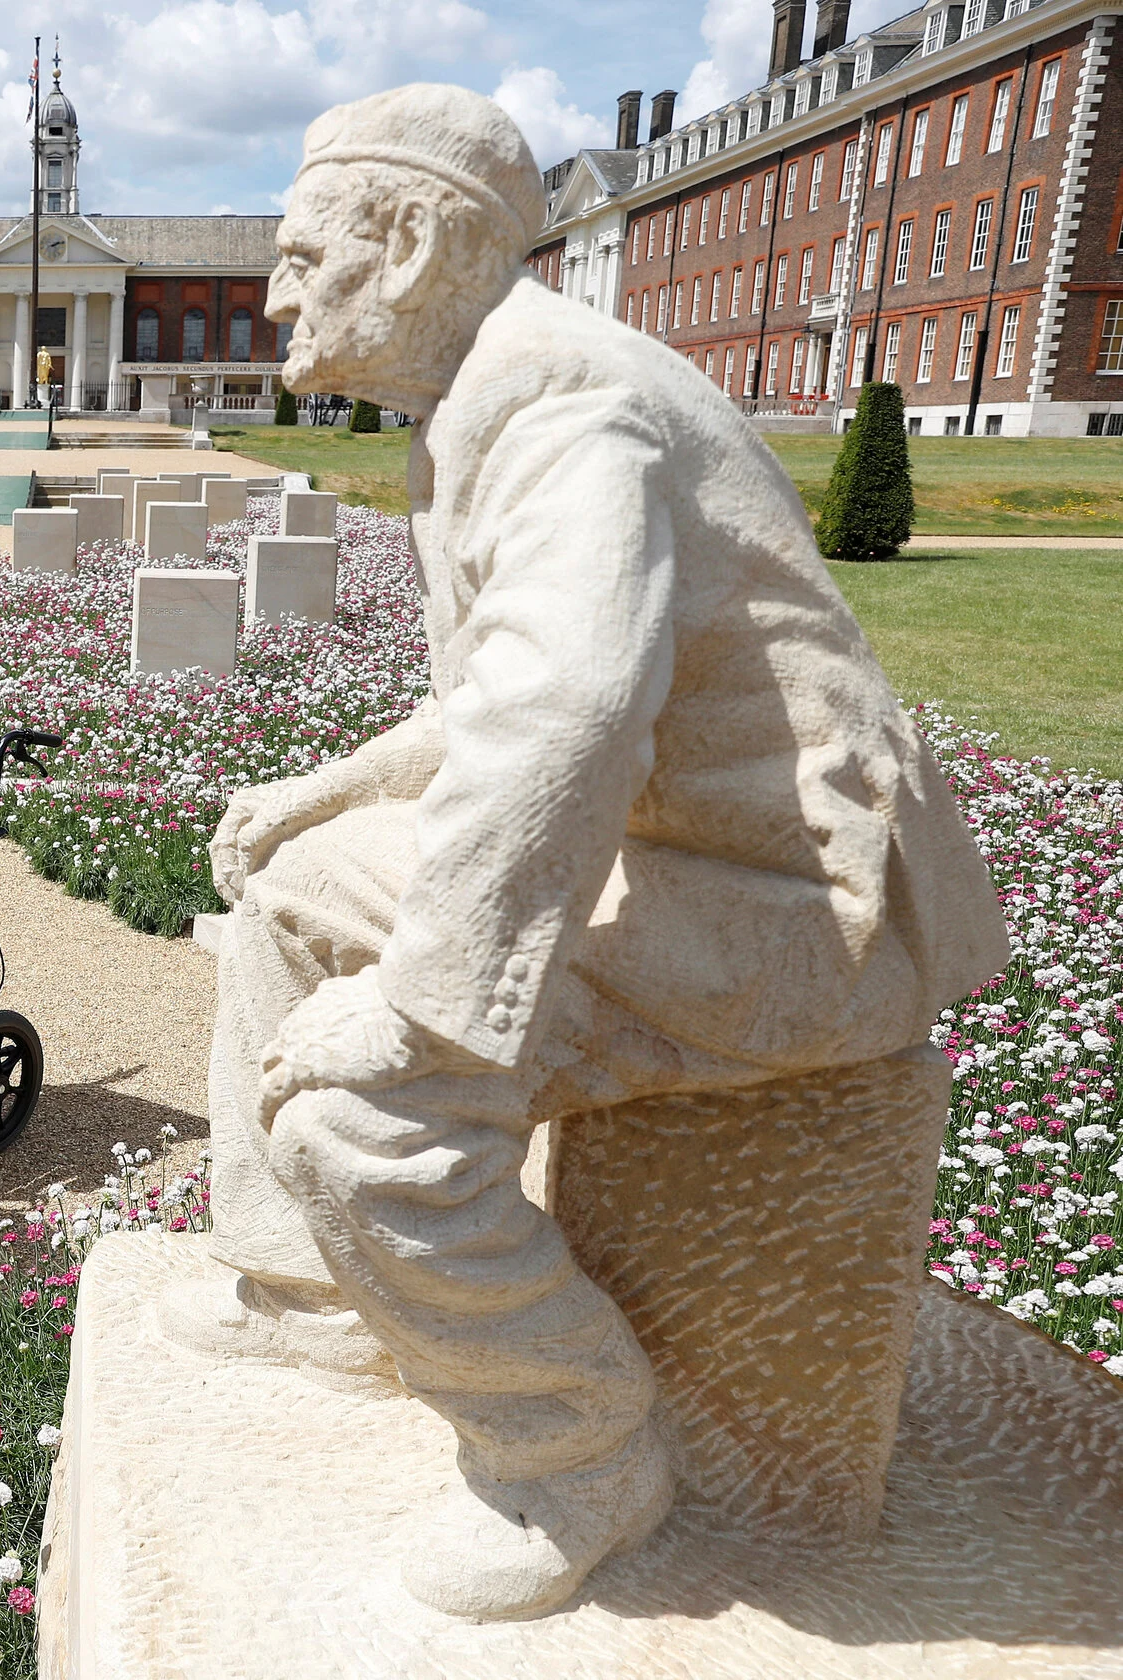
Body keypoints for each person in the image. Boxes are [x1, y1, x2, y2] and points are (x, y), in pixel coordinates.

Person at [195, 85, 1007, 1618]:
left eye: (304, 256)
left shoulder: (570, 410)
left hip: (799, 918)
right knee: (293, 894)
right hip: (695, 859)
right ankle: (308, 1294)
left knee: (361, 1108)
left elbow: (567, 706)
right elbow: (505, 691)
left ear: (416, 237)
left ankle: (570, 1450)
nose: (274, 294)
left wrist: (430, 997)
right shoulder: (500, 389)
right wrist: (326, 791)